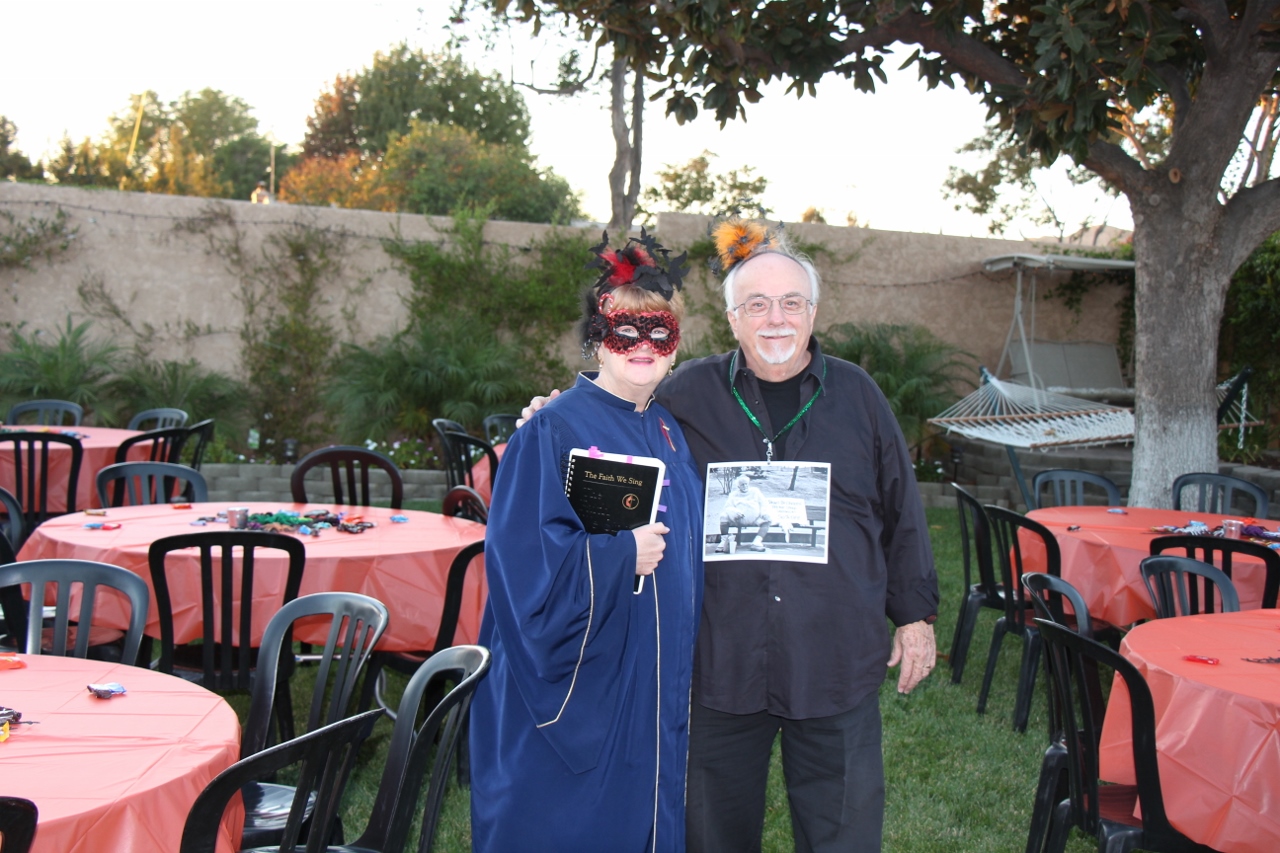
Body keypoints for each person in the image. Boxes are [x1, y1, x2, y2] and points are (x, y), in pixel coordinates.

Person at [521, 218, 939, 853]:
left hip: (832, 660)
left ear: (813, 312)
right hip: (720, 662)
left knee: (844, 835)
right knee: (712, 835)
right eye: (757, 305)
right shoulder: (687, 393)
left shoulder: (859, 396)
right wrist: (549, 419)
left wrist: (914, 617)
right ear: (733, 317)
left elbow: (902, 510)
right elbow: (613, 424)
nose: (776, 318)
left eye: (791, 303)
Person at [469, 230, 704, 853]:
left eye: (660, 333)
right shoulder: (552, 429)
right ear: (598, 340)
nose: (643, 346)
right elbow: (521, 570)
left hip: (653, 682)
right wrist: (621, 554)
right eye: (625, 331)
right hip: (580, 689)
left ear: (676, 348)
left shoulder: (667, 427)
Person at [715, 473, 774, 552]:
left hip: (754, 518)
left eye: (746, 484)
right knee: (723, 516)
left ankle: (756, 542)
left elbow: (764, 503)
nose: (745, 486)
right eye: (742, 485)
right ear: (738, 486)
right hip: (738, 519)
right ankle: (723, 542)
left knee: (768, 519)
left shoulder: (755, 491)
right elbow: (727, 507)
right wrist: (734, 512)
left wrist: (764, 513)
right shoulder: (733, 494)